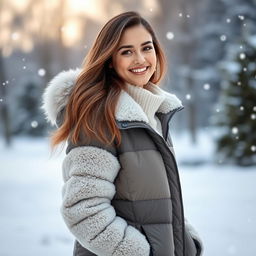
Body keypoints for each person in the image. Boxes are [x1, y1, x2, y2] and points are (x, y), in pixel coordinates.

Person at [41, 11, 203, 256]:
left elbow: (152, 201)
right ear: (109, 60)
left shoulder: (151, 114)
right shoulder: (99, 118)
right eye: (126, 51)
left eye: (146, 48)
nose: (140, 59)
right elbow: (83, 209)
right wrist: (140, 253)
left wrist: (187, 242)